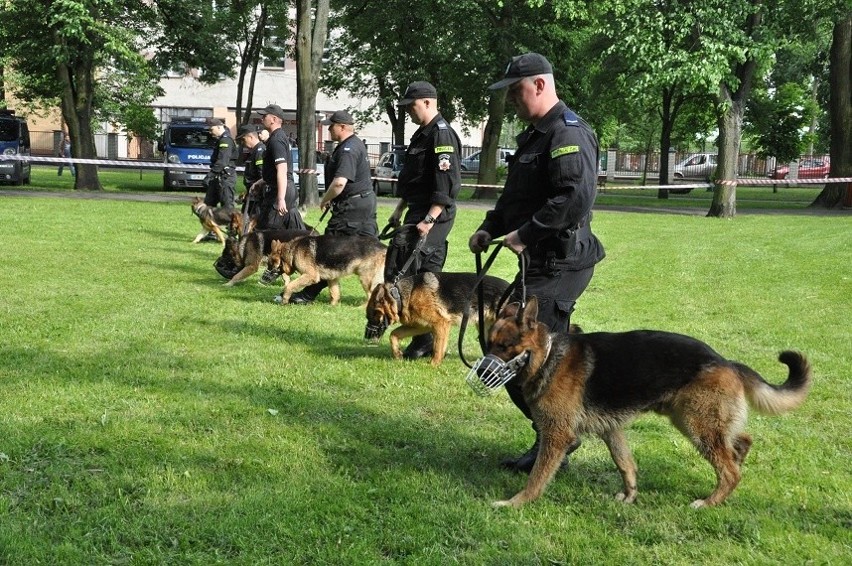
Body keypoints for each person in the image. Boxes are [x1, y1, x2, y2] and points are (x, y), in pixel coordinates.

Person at [468, 53, 605, 473]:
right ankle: (556, 432)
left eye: (516, 89)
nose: (511, 98)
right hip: (539, 261)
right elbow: (515, 199)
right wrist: (491, 227)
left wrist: (525, 234)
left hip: (562, 261)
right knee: (500, 344)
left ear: (541, 85)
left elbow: (573, 198)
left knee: (523, 351)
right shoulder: (534, 136)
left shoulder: (567, 133)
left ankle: (558, 436)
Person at [387, 81, 462, 359]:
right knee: (412, 274)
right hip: (417, 210)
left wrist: (430, 218)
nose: (408, 112)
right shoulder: (421, 135)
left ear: (428, 102)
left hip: (434, 214)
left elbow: (445, 185)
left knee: (421, 278)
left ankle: (425, 340)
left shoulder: (441, 136)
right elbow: (415, 180)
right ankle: (423, 336)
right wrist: (399, 209)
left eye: (412, 106)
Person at [288, 110, 378, 305]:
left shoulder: (349, 149)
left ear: (343, 127)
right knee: (374, 250)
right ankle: (388, 291)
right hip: (361, 203)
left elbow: (339, 183)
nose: (328, 129)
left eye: (332, 125)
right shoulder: (350, 145)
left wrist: (325, 199)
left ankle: (308, 293)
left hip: (352, 207)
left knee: (327, 249)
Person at [252, 104, 305, 231]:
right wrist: (261, 181)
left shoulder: (276, 139)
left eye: (265, 116)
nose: (262, 119)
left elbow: (282, 170)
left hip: (280, 191)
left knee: (268, 231)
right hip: (285, 188)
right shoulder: (277, 137)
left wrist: (280, 199)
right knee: (293, 232)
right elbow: (274, 170)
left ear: (274, 119)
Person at [203, 118, 237, 209]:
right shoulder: (221, 139)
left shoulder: (226, 140)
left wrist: (210, 175)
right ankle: (211, 223)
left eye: (211, 129)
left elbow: (222, 161)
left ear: (219, 127)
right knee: (208, 206)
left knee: (227, 208)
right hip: (218, 177)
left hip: (225, 177)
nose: (210, 132)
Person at [235, 124, 265, 220]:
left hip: (257, 196)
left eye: (243, 140)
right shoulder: (254, 151)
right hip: (252, 194)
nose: (242, 143)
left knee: (253, 223)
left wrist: (256, 191)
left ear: (250, 137)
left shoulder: (260, 151)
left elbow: (262, 175)